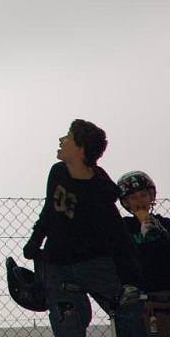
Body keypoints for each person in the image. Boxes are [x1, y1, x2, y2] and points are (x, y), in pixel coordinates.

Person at [23, 119, 146, 337]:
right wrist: (35, 241)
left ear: (81, 149)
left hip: (95, 265)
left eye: (68, 137)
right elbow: (50, 210)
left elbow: (117, 235)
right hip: (58, 267)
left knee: (128, 306)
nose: (62, 140)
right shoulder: (58, 172)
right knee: (67, 323)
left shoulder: (99, 192)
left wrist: (130, 279)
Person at [117, 171, 170, 337]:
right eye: (133, 198)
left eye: (143, 195)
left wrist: (159, 237)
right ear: (126, 203)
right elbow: (125, 261)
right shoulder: (123, 228)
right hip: (138, 301)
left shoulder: (165, 225)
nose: (140, 201)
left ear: (151, 197)